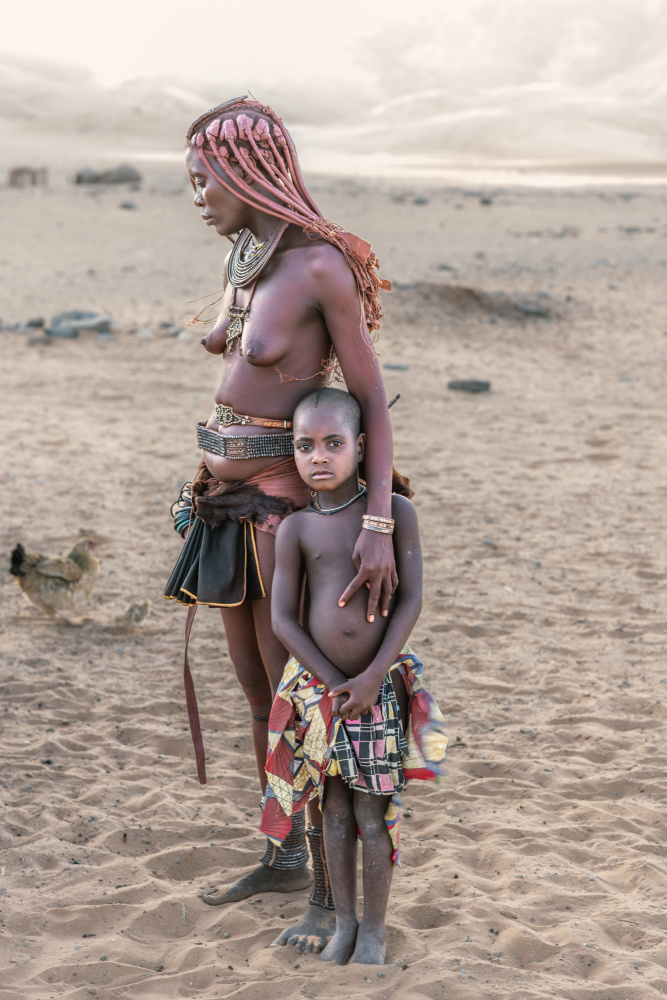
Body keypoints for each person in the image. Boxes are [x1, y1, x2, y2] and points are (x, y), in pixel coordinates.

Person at [163, 97, 399, 952]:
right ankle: (285, 852)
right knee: (259, 693)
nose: (196, 196)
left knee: (296, 696)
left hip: (283, 504)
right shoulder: (245, 256)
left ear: (247, 172)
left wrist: (375, 518)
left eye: (204, 179)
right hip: (225, 502)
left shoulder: (319, 267)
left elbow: (369, 395)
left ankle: (331, 892)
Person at [261, 387, 447, 965]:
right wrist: (331, 682)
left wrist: (370, 678)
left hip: (378, 690)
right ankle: (343, 922)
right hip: (323, 696)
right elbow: (283, 619)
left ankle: (374, 928)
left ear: (362, 446)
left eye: (333, 444)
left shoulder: (395, 514)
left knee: (374, 810)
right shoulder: (295, 529)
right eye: (304, 446)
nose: (318, 457)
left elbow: (412, 599)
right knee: (333, 809)